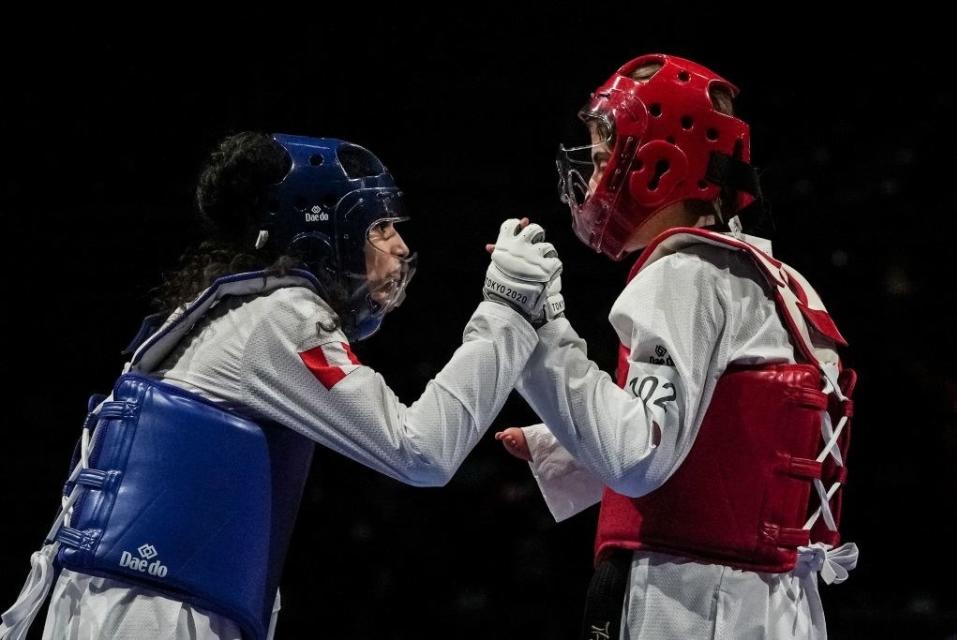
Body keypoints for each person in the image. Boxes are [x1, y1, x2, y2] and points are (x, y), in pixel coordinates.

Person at [1, 132, 563, 640]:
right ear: (325, 232)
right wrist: (507, 310)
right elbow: (422, 450)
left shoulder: (236, 305)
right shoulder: (282, 314)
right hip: (151, 610)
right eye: (380, 227)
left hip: (133, 603)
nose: (398, 247)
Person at [495, 53, 858, 639]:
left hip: (695, 600)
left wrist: (537, 328)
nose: (590, 181)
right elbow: (739, 433)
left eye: (601, 157)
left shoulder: (682, 274)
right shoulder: (773, 275)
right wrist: (565, 444)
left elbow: (640, 459)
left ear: (657, 166)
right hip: (780, 600)